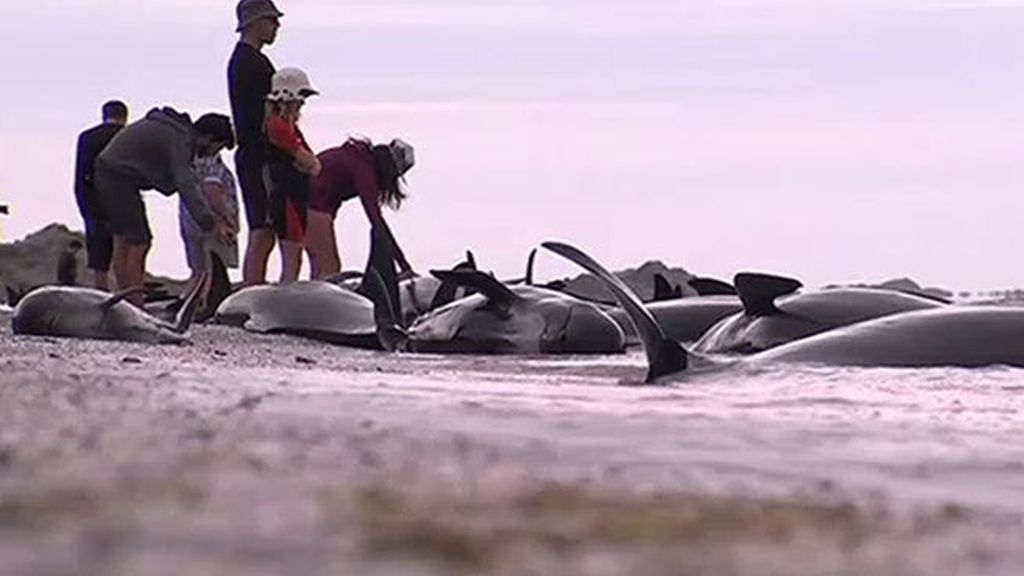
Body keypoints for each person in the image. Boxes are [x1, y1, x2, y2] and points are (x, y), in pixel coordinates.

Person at [93, 107, 234, 307]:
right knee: (139, 241)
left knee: (124, 239)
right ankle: (134, 303)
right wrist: (210, 225)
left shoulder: (177, 132)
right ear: (209, 138)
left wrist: (216, 218)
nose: (212, 154)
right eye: (217, 148)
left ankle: (125, 299)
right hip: (117, 178)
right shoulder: (180, 140)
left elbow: (187, 181)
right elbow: (186, 184)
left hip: (112, 174)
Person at [304, 138, 416, 309]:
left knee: (321, 266)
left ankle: (310, 310)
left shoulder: (360, 158)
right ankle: (319, 313)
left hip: (311, 202)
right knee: (329, 269)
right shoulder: (364, 169)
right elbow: (376, 222)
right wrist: (404, 265)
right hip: (313, 203)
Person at [228, 0, 283, 286]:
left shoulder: (245, 60)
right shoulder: (251, 63)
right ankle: (251, 293)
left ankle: (252, 289)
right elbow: (264, 117)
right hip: (258, 155)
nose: (277, 27)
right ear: (254, 22)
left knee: (264, 229)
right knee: (263, 228)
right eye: (271, 20)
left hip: (254, 154)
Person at [178, 114, 240, 314]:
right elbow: (213, 192)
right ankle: (204, 305)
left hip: (190, 218)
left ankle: (185, 302)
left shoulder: (189, 158)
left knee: (198, 269)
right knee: (211, 267)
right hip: (211, 223)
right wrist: (226, 219)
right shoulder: (211, 162)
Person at [264, 66, 321, 283]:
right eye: (302, 96)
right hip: (286, 196)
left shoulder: (290, 127)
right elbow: (309, 161)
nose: (303, 103)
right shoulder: (277, 126)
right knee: (292, 258)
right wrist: (308, 163)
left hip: (296, 195)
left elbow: (313, 163)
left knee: (296, 256)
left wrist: (309, 163)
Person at [73, 100, 128, 290]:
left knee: (99, 253)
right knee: (127, 247)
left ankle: (101, 290)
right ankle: (127, 291)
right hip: (124, 197)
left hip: (94, 197)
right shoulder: (126, 136)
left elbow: (80, 176)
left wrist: (85, 206)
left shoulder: (88, 137)